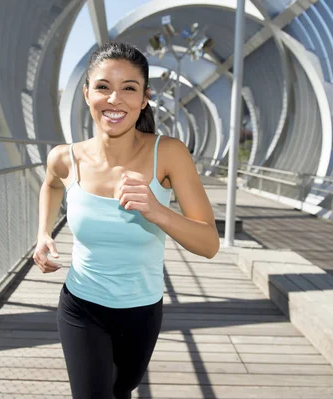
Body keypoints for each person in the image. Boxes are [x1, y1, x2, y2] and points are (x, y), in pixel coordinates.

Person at [33, 41, 220, 399]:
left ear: (145, 97)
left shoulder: (168, 153)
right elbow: (51, 185)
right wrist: (42, 233)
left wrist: (157, 210)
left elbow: (209, 244)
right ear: (87, 93)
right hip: (81, 306)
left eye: (128, 89)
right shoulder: (65, 158)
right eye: (103, 87)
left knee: (122, 388)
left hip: (142, 311)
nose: (114, 99)